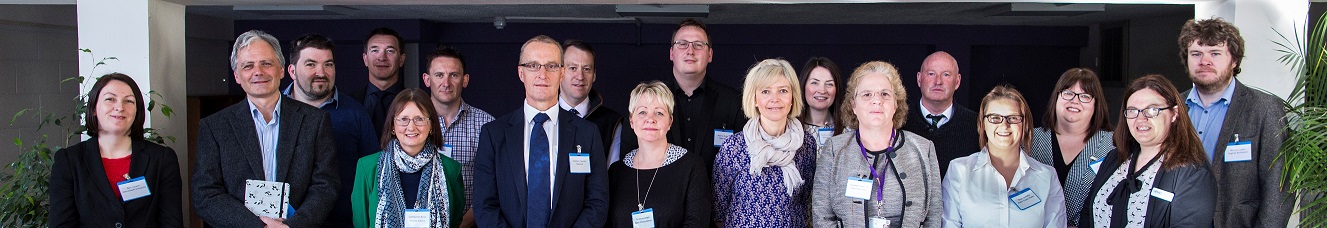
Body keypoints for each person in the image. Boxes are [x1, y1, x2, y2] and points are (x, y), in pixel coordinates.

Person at [193, 30, 339, 227]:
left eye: (266, 63)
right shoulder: (215, 127)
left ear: (281, 69)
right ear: (237, 75)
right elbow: (205, 194)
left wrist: (292, 226)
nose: (258, 72)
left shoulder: (315, 121)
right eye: (248, 66)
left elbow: (326, 185)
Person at [472, 35, 609, 227]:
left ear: (562, 73)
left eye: (551, 66)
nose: (542, 74)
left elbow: (597, 202)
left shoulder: (587, 134)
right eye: (533, 66)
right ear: (521, 73)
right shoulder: (494, 134)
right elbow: (484, 205)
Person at [1177, 18, 1292, 228]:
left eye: (1215, 53)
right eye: (1196, 54)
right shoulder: (1172, 107)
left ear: (1234, 61)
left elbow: (1279, 187)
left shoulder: (1265, 109)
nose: (1205, 61)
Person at [811, 61, 943, 228]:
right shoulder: (833, 150)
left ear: (896, 104)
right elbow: (822, 218)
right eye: (867, 94)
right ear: (853, 105)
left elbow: (933, 217)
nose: (877, 101)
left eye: (885, 94)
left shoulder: (924, 149)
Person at [48, 73, 183, 228]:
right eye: (110, 99)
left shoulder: (162, 159)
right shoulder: (69, 161)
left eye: (129, 101)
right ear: (93, 108)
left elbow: (171, 223)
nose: (120, 107)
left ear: (137, 111)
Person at [1079, 74, 1215, 227]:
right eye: (1132, 111)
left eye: (1151, 110)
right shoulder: (1115, 158)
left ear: (1174, 114)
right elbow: (1087, 213)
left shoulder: (1193, 173)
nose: (1140, 118)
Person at [280, 34, 380, 228]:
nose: (321, 72)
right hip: (285, 223)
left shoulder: (355, 113)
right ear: (292, 71)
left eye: (328, 64)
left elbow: (374, 175)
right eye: (311, 64)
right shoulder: (275, 112)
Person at [942, 85, 1067, 227]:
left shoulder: (1047, 176)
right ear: (982, 123)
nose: (1004, 125)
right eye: (995, 118)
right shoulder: (959, 171)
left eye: (1013, 118)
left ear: (1024, 124)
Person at [713, 59, 816, 227]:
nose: (774, 99)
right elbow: (719, 210)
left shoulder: (806, 145)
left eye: (783, 90)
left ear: (792, 97)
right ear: (754, 99)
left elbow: (805, 203)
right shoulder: (734, 147)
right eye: (766, 91)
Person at [350, 89, 465, 228]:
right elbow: (360, 223)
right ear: (393, 125)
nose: (411, 127)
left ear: (432, 126)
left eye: (419, 119)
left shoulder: (451, 169)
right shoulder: (367, 168)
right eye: (403, 119)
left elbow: (455, 221)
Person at [606, 81, 713, 227]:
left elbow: (697, 223)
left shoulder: (691, 167)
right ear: (631, 120)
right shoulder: (616, 171)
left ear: (670, 121)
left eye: (659, 113)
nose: (650, 119)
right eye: (642, 112)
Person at [1029, 68, 1115, 227]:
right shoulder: (1029, 140)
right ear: (1056, 97)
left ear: (1096, 104)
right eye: (1068, 93)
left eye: (1085, 96)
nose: (1075, 101)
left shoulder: (1113, 145)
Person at [420, 45, 495, 228]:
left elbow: (491, 186)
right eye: (439, 75)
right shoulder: (411, 123)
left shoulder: (486, 124)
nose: (446, 83)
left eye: (454, 75)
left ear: (465, 80)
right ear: (427, 79)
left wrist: (462, 224)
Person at [660, 18, 747, 170]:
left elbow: (743, 161)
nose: (690, 51)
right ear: (671, 53)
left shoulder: (734, 102)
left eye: (698, 45)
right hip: (663, 193)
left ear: (710, 55)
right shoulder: (651, 101)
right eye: (682, 44)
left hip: (715, 193)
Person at [901, 51, 980, 177]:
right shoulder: (898, 122)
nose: (938, 81)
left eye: (946, 75)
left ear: (957, 81)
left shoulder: (977, 125)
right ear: (919, 79)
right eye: (931, 74)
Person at [557, 39, 631, 165]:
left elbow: (612, 175)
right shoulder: (542, 117)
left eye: (586, 69)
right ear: (560, 72)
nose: (580, 76)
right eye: (573, 68)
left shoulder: (612, 123)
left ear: (594, 75)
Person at [352, 27, 409, 137]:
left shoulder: (416, 103)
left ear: (401, 59)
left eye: (390, 51)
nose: (382, 57)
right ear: (365, 59)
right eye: (375, 50)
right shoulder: (350, 103)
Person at [798, 57, 846, 147]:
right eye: (814, 83)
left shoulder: (848, 130)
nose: (822, 90)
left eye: (829, 84)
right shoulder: (791, 128)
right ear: (803, 85)